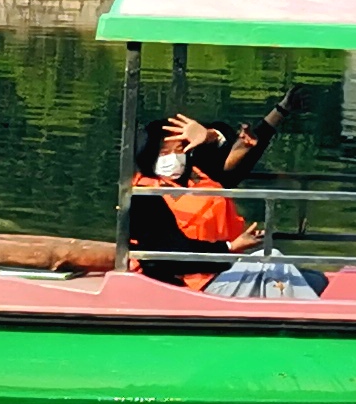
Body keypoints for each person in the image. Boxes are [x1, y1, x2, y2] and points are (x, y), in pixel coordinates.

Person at [122, 82, 315, 284]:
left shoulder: (200, 178)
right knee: (274, 259)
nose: (173, 157)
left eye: (179, 149)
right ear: (148, 154)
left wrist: (210, 136)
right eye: (164, 153)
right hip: (190, 282)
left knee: (313, 278)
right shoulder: (144, 197)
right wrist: (231, 247)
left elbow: (241, 151)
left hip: (222, 272)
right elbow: (169, 255)